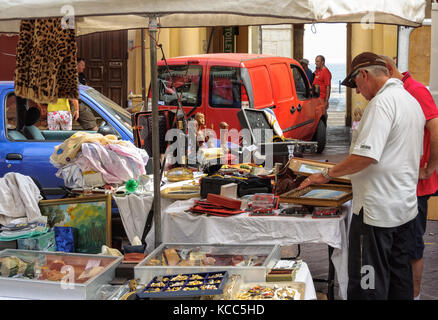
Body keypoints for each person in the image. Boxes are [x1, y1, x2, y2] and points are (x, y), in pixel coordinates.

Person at [298, 52, 425, 300]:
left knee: (368, 283)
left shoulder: (381, 104)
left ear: (364, 75)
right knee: (400, 279)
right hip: (405, 210)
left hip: (377, 215)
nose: (357, 92)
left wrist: (326, 174)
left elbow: (366, 156)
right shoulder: (411, 101)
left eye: (356, 85)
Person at [379, 54, 438, 300]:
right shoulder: (401, 91)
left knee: (413, 247)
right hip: (400, 185)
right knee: (401, 247)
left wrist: (429, 167)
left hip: (416, 187)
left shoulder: (415, 90)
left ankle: (413, 296)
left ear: (387, 70)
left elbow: (436, 130)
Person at [76, 57, 98, 131]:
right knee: (89, 119)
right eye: (82, 65)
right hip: (74, 104)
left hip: (81, 102)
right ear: (76, 65)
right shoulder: (70, 76)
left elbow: (86, 88)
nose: (84, 67)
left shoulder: (81, 76)